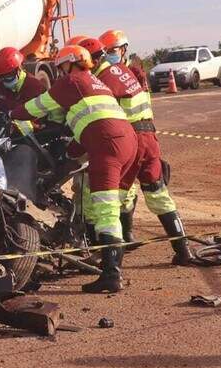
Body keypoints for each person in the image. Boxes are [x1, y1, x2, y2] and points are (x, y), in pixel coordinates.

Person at [10, 45, 137, 293]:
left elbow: (38, 106)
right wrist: (69, 156)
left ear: (69, 63)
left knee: (105, 211)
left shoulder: (72, 81)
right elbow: (91, 125)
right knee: (110, 205)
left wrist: (11, 114)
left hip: (107, 146)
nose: (59, 72)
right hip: (126, 141)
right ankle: (106, 261)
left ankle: (112, 275)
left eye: (60, 67)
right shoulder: (96, 83)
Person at [78, 36, 191, 265]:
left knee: (104, 202)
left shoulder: (102, 80)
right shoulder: (125, 71)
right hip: (149, 138)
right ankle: (183, 250)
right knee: (159, 196)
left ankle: (106, 261)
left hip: (128, 143)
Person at [0, 47, 46, 134]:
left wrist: (12, 122)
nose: (4, 81)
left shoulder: (35, 87)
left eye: (8, 77)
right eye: (1, 77)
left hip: (30, 136)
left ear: (19, 70)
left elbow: (40, 121)